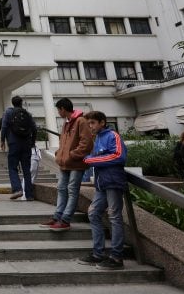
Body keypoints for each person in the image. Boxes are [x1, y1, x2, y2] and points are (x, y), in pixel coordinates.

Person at [78, 111, 128, 270]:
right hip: (102, 184)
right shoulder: (98, 138)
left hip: (113, 181)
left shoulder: (112, 135)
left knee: (114, 216)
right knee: (93, 213)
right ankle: (98, 253)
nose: (90, 126)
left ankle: (117, 257)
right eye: (89, 124)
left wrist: (91, 160)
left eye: (92, 123)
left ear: (102, 122)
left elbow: (119, 156)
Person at [40, 98, 93, 231]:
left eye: (58, 110)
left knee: (72, 190)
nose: (58, 112)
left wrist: (72, 155)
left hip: (76, 163)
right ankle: (57, 217)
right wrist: (60, 154)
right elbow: (63, 142)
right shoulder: (66, 123)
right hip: (65, 163)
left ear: (63, 109)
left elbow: (86, 143)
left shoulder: (81, 121)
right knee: (61, 188)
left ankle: (65, 219)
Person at [0, 95, 36, 201]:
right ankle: (29, 195)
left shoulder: (8, 112)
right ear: (21, 103)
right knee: (26, 170)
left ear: (12, 103)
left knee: (12, 167)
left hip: (13, 143)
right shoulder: (27, 114)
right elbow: (34, 128)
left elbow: (4, 126)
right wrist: (32, 142)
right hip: (26, 144)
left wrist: (2, 140)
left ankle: (17, 189)